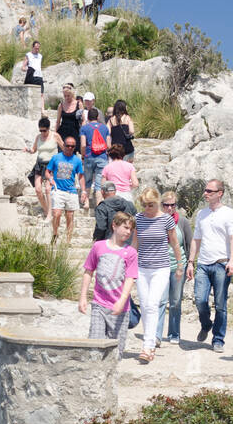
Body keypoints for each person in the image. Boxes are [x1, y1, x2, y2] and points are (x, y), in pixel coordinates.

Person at [186, 180, 233, 352]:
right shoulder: (202, 214)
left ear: (220, 193)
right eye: (205, 190)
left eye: (209, 191)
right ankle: (206, 324)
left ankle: (218, 339)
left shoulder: (229, 213)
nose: (205, 193)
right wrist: (190, 262)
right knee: (200, 300)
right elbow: (196, 239)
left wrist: (232, 261)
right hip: (203, 263)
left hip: (221, 264)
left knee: (221, 304)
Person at [79, 212, 139, 358]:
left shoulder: (130, 252)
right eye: (125, 227)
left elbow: (130, 279)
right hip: (99, 305)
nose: (128, 232)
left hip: (120, 309)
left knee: (115, 353)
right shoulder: (98, 247)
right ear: (114, 225)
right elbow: (88, 271)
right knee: (95, 348)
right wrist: (83, 297)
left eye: (130, 229)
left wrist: (121, 301)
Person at [134, 188, 183, 362]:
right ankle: (149, 342)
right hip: (141, 267)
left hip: (161, 267)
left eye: (151, 205)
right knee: (145, 305)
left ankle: (148, 345)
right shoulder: (138, 219)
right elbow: (135, 244)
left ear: (157, 203)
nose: (148, 208)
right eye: (145, 205)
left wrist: (180, 265)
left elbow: (175, 244)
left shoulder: (166, 219)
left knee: (153, 303)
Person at [155, 191, 193, 345]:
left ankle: (174, 333)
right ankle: (157, 335)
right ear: (161, 205)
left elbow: (189, 243)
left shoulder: (182, 222)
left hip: (179, 266)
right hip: (161, 266)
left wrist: (190, 264)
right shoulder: (156, 220)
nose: (170, 208)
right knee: (161, 300)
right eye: (166, 205)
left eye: (173, 205)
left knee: (176, 301)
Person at [46, 136, 86, 242]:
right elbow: (47, 171)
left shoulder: (77, 160)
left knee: (70, 215)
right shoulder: (56, 158)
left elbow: (81, 176)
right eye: (67, 145)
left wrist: (84, 191)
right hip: (58, 189)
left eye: (72, 146)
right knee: (56, 213)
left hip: (71, 191)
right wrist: (50, 179)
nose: (70, 148)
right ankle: (55, 233)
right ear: (63, 145)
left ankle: (68, 239)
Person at [25, 116, 59, 215]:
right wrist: (28, 150)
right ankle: (46, 209)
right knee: (38, 189)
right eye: (40, 130)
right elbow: (34, 150)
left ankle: (49, 213)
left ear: (48, 128)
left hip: (51, 165)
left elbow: (63, 147)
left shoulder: (55, 136)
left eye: (44, 130)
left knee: (48, 189)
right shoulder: (38, 137)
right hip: (40, 164)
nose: (42, 133)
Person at [80, 106, 110, 207]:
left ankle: (86, 203)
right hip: (102, 157)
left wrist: (83, 156)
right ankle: (98, 205)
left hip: (89, 156)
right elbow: (109, 145)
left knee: (88, 181)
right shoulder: (104, 128)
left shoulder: (84, 128)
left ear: (88, 118)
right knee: (98, 184)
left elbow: (83, 145)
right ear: (97, 117)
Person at [55, 81, 81, 152]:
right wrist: (55, 133)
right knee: (62, 151)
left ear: (72, 94)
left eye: (68, 96)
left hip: (75, 131)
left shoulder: (79, 104)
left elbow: (83, 120)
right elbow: (58, 121)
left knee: (73, 152)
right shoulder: (61, 105)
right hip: (63, 132)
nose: (66, 98)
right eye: (65, 96)